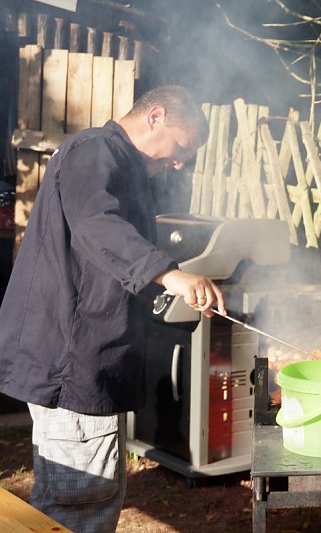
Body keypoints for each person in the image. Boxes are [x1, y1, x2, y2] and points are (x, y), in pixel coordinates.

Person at [0, 86, 226, 533]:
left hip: (82, 360)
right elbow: (96, 226)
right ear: (155, 116)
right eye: (181, 146)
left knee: (73, 504)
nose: (179, 161)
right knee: (78, 508)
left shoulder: (123, 166)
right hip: (74, 364)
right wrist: (170, 274)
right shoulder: (93, 151)